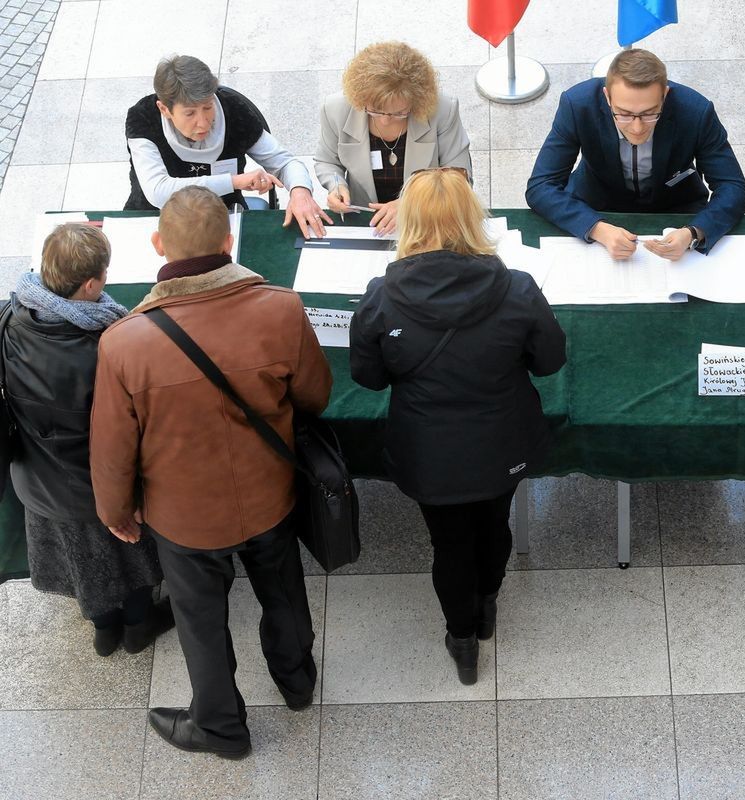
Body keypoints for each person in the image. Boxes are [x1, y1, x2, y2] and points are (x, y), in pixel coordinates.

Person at [90, 186, 333, 758]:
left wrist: (115, 512)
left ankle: (221, 728)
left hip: (183, 517)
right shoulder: (280, 308)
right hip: (270, 492)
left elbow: (112, 448)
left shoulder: (123, 344)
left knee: (200, 622)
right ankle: (296, 681)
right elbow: (315, 396)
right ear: (230, 242)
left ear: (156, 245)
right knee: (283, 589)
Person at [350, 169, 566, 685]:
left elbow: (369, 376)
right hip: (503, 443)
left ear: (412, 222)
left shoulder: (382, 294)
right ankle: (487, 605)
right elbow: (550, 361)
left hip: (429, 453)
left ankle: (463, 640)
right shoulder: (516, 287)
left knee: (448, 544)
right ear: (473, 219)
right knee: (494, 524)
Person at [1, 224, 171, 657]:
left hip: (38, 485)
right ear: (93, 283)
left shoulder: (9, 317)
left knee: (82, 563)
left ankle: (104, 628)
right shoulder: (110, 344)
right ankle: (137, 627)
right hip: (101, 488)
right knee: (131, 560)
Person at [526, 48, 745, 261]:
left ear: (665, 95)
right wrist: (596, 228)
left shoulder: (696, 111)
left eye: (649, 114)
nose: (636, 128)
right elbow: (541, 186)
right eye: (623, 114)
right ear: (607, 97)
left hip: (677, 208)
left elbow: (734, 188)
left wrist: (694, 232)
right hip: (595, 204)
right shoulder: (577, 105)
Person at [124, 55, 332, 238]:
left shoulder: (232, 109)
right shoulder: (143, 118)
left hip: (222, 222)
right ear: (164, 109)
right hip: (155, 219)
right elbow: (158, 192)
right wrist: (234, 182)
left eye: (207, 107)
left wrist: (300, 191)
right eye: (190, 113)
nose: (204, 122)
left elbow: (285, 162)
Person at [315, 41, 473, 236]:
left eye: (398, 113)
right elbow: (327, 161)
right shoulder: (335, 109)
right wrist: (336, 185)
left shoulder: (443, 109)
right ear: (360, 98)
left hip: (428, 217)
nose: (384, 121)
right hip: (367, 221)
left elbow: (459, 176)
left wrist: (410, 204)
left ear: (417, 101)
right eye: (374, 110)